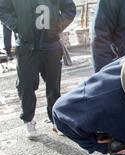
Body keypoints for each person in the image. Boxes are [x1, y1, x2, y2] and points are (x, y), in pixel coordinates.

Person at [0, 0, 76, 138]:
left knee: (54, 86)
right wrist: (17, 26)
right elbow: (2, 9)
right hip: (26, 46)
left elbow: (69, 8)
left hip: (51, 45)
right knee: (25, 84)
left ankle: (56, 121)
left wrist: (57, 26)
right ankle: (28, 119)